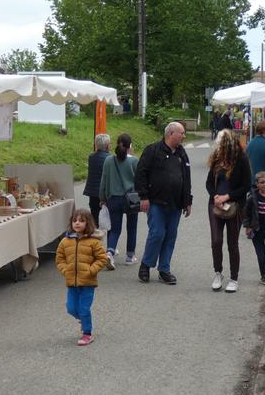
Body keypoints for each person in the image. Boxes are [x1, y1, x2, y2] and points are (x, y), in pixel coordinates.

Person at [134, 121, 192, 285]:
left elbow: (186, 178)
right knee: (158, 233)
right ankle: (146, 265)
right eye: (181, 133)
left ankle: (164, 270)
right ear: (171, 134)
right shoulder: (152, 150)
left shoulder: (182, 153)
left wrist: (187, 201)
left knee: (170, 236)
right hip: (156, 202)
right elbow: (141, 174)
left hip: (176, 203)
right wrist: (143, 196)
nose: (184, 136)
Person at [206, 129, 251, 293]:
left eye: (220, 145)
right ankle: (218, 273)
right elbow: (209, 183)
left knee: (232, 243)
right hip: (215, 205)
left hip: (235, 206)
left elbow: (246, 186)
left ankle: (234, 278)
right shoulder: (217, 159)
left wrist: (227, 196)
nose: (218, 148)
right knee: (216, 241)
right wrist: (216, 196)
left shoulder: (241, 160)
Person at [55, 208, 108, 346]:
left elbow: (102, 259)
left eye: (81, 221)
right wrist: (65, 270)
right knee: (71, 308)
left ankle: (87, 333)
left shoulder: (94, 242)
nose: (77, 223)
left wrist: (91, 270)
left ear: (88, 223)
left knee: (84, 309)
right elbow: (59, 259)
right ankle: (84, 320)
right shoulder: (65, 242)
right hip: (71, 282)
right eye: (74, 220)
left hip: (88, 283)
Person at [99, 133, 139, 270]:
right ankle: (130, 256)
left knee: (115, 229)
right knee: (132, 227)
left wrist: (102, 198)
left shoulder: (109, 160)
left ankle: (110, 252)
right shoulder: (134, 161)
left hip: (113, 199)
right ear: (130, 146)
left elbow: (103, 181)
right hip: (131, 199)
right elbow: (139, 181)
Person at [82, 133, 111, 225]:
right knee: (108, 219)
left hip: (93, 192)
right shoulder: (109, 158)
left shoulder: (91, 157)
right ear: (107, 146)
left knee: (95, 218)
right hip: (105, 193)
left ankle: (94, 236)